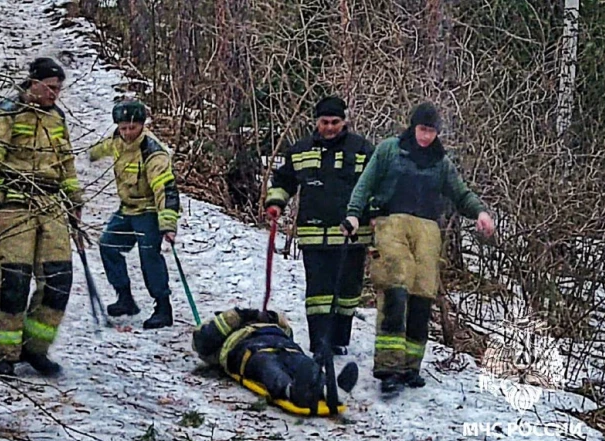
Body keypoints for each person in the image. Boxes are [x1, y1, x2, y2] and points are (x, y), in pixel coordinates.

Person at [342, 102, 495, 394]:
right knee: (395, 290)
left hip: (427, 230)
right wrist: (353, 212)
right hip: (392, 224)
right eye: (423, 130)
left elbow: (460, 194)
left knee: (421, 298)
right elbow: (366, 183)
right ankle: (388, 367)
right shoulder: (389, 150)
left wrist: (480, 213)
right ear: (413, 127)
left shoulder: (441, 162)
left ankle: (411, 367)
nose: (426, 137)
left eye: (432, 132)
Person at [0, 57, 83, 376]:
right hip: (13, 208)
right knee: (13, 283)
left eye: (59, 89)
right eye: (51, 87)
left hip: (51, 206)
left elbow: (66, 163)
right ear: (34, 82)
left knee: (58, 280)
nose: (56, 94)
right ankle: (5, 356)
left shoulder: (57, 119)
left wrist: (74, 199)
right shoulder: (7, 112)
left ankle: (35, 348)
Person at [264, 96, 375, 356]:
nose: (329, 127)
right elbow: (283, 181)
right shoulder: (300, 150)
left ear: (345, 121)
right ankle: (319, 343)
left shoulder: (362, 150)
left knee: (348, 293)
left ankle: (338, 339)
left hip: (352, 237)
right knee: (318, 293)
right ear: (316, 122)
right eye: (324, 122)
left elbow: (375, 187)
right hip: (313, 235)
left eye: (335, 122)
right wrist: (276, 203)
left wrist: (372, 215)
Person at [89, 100, 180, 329]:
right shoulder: (116, 141)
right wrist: (82, 155)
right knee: (108, 245)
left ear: (142, 125)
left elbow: (165, 189)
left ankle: (163, 307)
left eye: (133, 128)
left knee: (149, 256)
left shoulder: (153, 152)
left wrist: (167, 223)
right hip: (127, 209)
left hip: (149, 211)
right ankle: (125, 298)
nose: (128, 133)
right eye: (123, 128)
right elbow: (98, 150)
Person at [192, 308, 358, 410]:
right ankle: (291, 390)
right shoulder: (215, 327)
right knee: (268, 367)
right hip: (248, 349)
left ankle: (330, 388)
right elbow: (203, 343)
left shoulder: (267, 321)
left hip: (283, 344)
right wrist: (238, 316)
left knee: (303, 363)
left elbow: (288, 332)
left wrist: (271, 317)